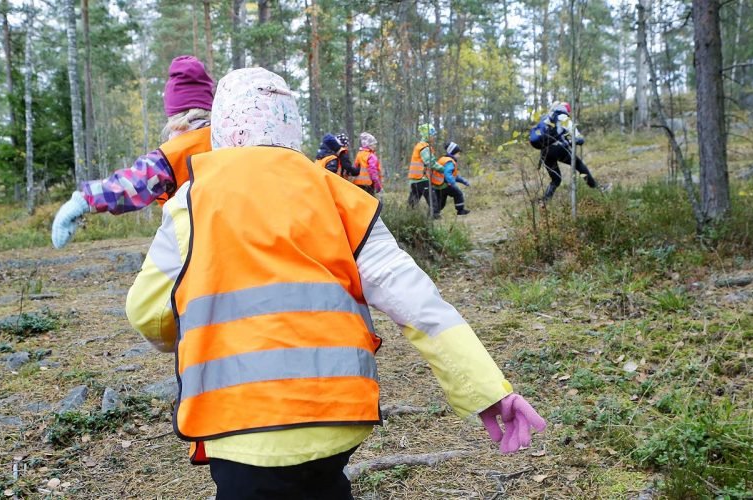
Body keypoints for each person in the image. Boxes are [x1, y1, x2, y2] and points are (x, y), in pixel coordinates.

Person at [124, 67, 546, 499]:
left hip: (237, 422)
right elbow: (420, 304)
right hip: (337, 415)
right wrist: (488, 390)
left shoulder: (190, 204)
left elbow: (147, 313)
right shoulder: (342, 198)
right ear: (292, 128)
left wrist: (182, 330)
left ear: (223, 129)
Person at [50, 56, 214, 249]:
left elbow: (133, 184)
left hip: (197, 248)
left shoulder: (173, 155)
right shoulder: (233, 141)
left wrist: (83, 200)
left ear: (174, 115)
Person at [529, 101, 598, 202]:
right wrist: (574, 141)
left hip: (544, 153)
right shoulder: (563, 117)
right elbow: (578, 137)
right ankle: (596, 188)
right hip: (557, 149)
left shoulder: (545, 118)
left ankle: (544, 201)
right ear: (566, 110)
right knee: (578, 164)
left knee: (556, 179)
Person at [431, 141, 471, 217]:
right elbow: (448, 174)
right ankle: (460, 210)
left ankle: (434, 214)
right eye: (458, 154)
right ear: (453, 153)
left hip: (437, 185)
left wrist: (464, 182)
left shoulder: (443, 159)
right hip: (445, 184)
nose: (459, 156)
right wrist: (453, 183)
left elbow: (455, 176)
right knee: (458, 194)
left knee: (440, 202)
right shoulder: (450, 162)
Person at [407, 124, 440, 209]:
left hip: (415, 179)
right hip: (422, 178)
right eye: (433, 135)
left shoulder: (420, 146)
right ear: (427, 136)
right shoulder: (424, 148)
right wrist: (442, 169)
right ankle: (435, 215)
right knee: (432, 199)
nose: (434, 137)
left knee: (413, 200)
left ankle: (408, 216)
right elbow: (430, 162)